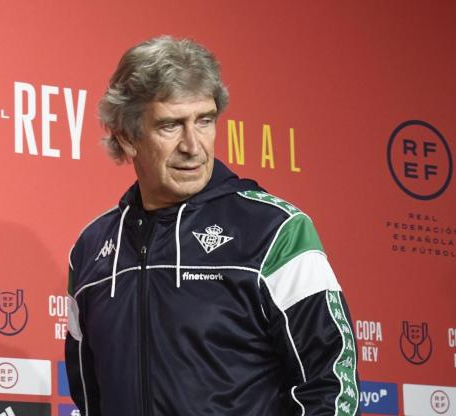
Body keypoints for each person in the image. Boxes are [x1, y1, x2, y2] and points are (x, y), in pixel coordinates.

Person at [65, 36, 360, 416]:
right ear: (127, 136)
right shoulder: (91, 248)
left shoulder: (274, 231)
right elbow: (89, 396)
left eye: (204, 121)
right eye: (171, 125)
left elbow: (331, 384)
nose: (193, 145)